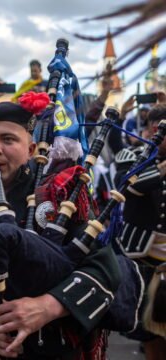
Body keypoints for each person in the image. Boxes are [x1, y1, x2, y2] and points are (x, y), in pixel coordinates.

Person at [0, 100, 122, 359]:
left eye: (8, 139)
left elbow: (105, 271)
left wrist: (49, 306)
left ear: (30, 149)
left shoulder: (63, 200)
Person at [115, 103, 166, 360]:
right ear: (157, 130)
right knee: (152, 335)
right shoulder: (131, 156)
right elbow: (131, 186)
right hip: (145, 258)